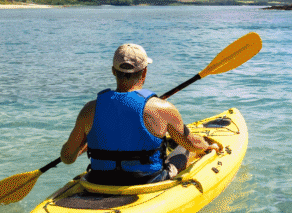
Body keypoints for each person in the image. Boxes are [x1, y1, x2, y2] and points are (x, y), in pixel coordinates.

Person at [60, 43, 221, 185]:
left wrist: (84, 143)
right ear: (144, 72)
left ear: (113, 72)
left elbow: (67, 158)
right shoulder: (162, 108)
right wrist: (208, 147)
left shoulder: (89, 110)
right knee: (182, 149)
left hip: (100, 179)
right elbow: (190, 143)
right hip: (148, 180)